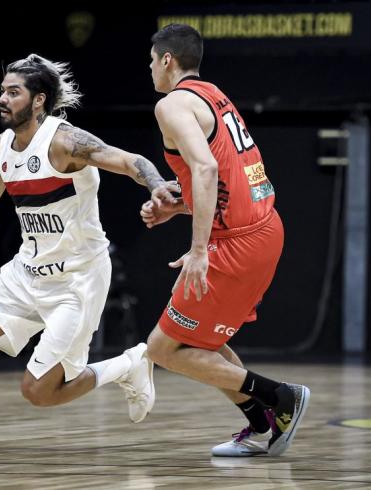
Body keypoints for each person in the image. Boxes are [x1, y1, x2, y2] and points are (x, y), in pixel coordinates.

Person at [0, 54, 174, 447]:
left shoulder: (65, 142)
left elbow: (131, 161)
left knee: (39, 392)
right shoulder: (0, 148)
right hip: (28, 271)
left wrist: (157, 185)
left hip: (77, 280)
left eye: (14, 92)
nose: (2, 99)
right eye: (2, 91)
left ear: (38, 100)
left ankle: (127, 365)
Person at [141, 24, 310, 457]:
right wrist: (178, 207)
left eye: (151, 60)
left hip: (237, 242)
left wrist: (199, 251)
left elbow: (206, 169)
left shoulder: (171, 104)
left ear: (167, 60)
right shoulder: (214, 95)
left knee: (162, 349)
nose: (150, 68)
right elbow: (228, 182)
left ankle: (280, 397)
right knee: (203, 342)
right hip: (261, 228)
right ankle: (260, 424)